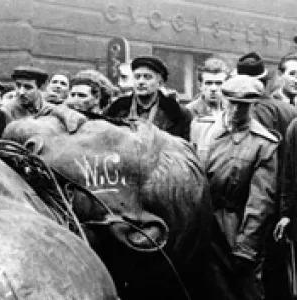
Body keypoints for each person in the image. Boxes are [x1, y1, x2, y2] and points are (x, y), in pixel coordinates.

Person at [191, 75, 279, 300]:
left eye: (244, 105)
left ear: (254, 106)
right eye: (232, 102)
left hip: (235, 227)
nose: (237, 109)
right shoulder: (203, 129)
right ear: (223, 99)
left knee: (242, 290)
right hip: (201, 223)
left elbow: (261, 201)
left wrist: (247, 246)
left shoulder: (263, 143)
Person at [239, 51, 297, 300]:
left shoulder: (277, 110)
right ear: (278, 76)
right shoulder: (279, 111)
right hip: (275, 201)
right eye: (293, 73)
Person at [105, 55, 192, 140]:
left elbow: (182, 150)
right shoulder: (116, 109)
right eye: (137, 77)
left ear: (160, 83)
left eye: (147, 77)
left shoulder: (178, 114)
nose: (141, 82)